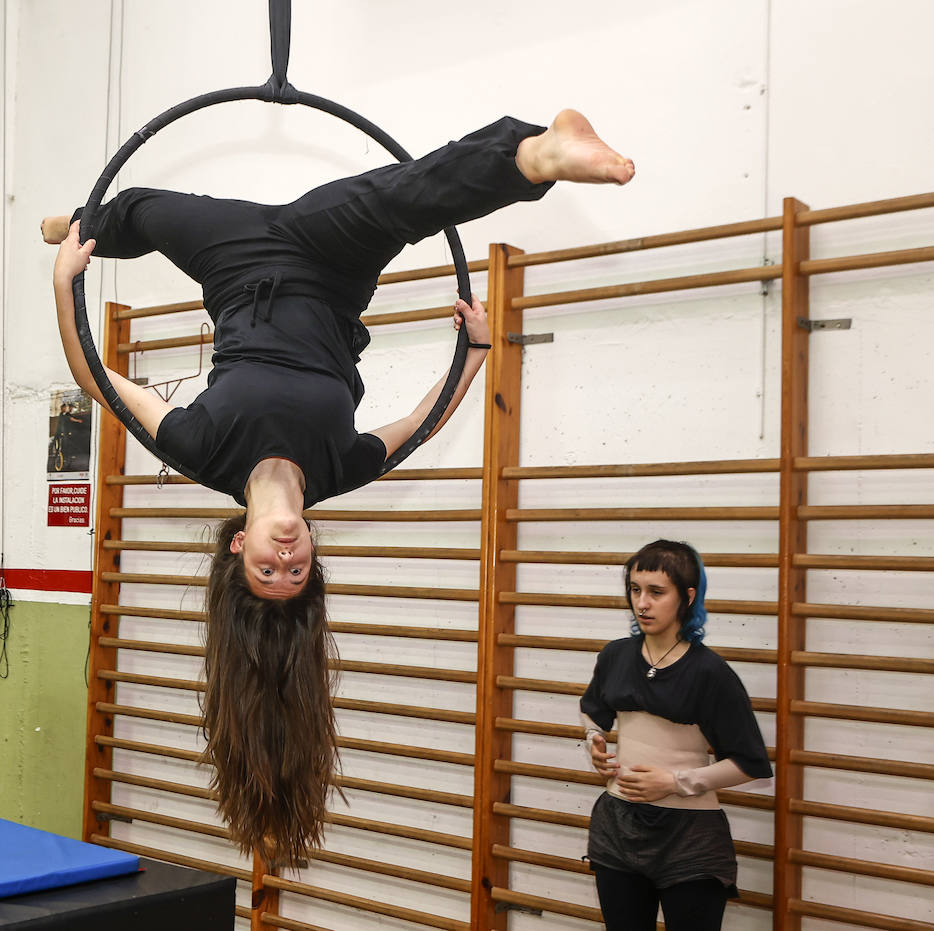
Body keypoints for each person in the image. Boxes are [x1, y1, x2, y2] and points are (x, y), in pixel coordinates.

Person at [48, 109, 635, 865]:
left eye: (269, 568)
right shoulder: (336, 467)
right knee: (401, 199)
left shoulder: (203, 451)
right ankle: (539, 151)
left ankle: (69, 224)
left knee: (139, 211)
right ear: (313, 551)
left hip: (230, 266)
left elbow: (98, 380)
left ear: (240, 545)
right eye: (298, 570)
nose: (286, 554)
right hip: (330, 262)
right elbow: (418, 425)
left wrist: (66, 284)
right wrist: (478, 351)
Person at [580, 540, 773, 930]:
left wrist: (676, 782)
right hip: (616, 827)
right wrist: (593, 740)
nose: (642, 603)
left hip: (690, 838)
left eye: (656, 592)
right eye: (635, 590)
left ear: (687, 596)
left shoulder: (711, 672)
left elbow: (750, 763)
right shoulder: (615, 655)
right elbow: (592, 709)